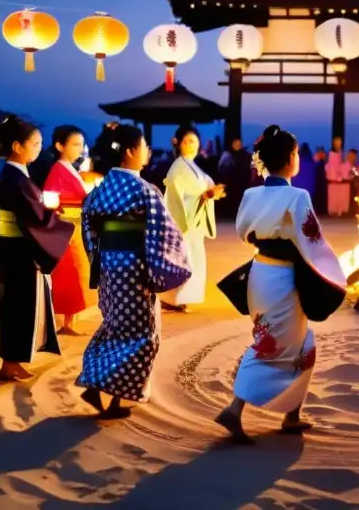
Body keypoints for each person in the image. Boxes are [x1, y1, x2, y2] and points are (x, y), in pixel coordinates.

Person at [216, 124, 347, 444]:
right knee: (269, 345)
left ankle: (292, 414)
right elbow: (312, 240)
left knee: (298, 343)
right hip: (284, 278)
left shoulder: (250, 195)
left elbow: (243, 232)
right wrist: (335, 271)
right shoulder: (297, 195)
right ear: (291, 159)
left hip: (261, 272)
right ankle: (233, 409)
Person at [76, 125, 192, 419]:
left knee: (115, 325)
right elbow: (163, 234)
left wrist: (99, 261)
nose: (147, 153)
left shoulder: (99, 190)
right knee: (143, 333)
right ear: (130, 152)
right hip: (135, 266)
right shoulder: (144, 190)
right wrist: (159, 267)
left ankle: (98, 382)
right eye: (144, 147)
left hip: (109, 266)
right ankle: (115, 397)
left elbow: (88, 230)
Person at [0, 116, 74, 381]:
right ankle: (10, 362)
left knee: (19, 305)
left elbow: (35, 213)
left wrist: (48, 212)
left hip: (16, 248)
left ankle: (13, 360)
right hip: (18, 251)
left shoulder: (17, 176)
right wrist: (60, 226)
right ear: (17, 146)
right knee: (17, 306)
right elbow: (35, 218)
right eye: (35, 143)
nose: (39, 148)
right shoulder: (15, 179)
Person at [161, 125, 224, 312]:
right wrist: (205, 196)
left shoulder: (191, 165)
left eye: (195, 141)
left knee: (192, 258)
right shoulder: (178, 167)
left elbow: (203, 186)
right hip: (184, 220)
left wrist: (211, 193)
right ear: (178, 143)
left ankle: (179, 298)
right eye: (187, 141)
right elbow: (178, 198)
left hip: (194, 220)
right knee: (182, 259)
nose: (192, 145)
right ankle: (174, 299)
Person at [43, 125, 91, 335]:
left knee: (74, 273)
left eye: (81, 145)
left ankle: (68, 321)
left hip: (74, 227)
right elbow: (51, 200)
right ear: (59, 146)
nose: (79, 149)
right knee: (68, 274)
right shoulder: (58, 170)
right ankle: (65, 322)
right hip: (65, 229)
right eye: (74, 144)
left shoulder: (71, 169)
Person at [217, 137, 253, 219]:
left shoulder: (246, 154)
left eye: (239, 144)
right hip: (232, 182)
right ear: (232, 144)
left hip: (243, 181)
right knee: (232, 199)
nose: (238, 145)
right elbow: (222, 168)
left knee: (241, 199)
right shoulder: (227, 155)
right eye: (236, 144)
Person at [325, 136, 350, 216]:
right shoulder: (330, 154)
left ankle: (341, 211)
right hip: (333, 179)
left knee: (341, 196)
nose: (338, 144)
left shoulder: (342, 154)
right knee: (333, 196)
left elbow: (344, 164)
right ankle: (333, 210)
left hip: (341, 180)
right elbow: (329, 166)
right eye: (336, 142)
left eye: (339, 142)